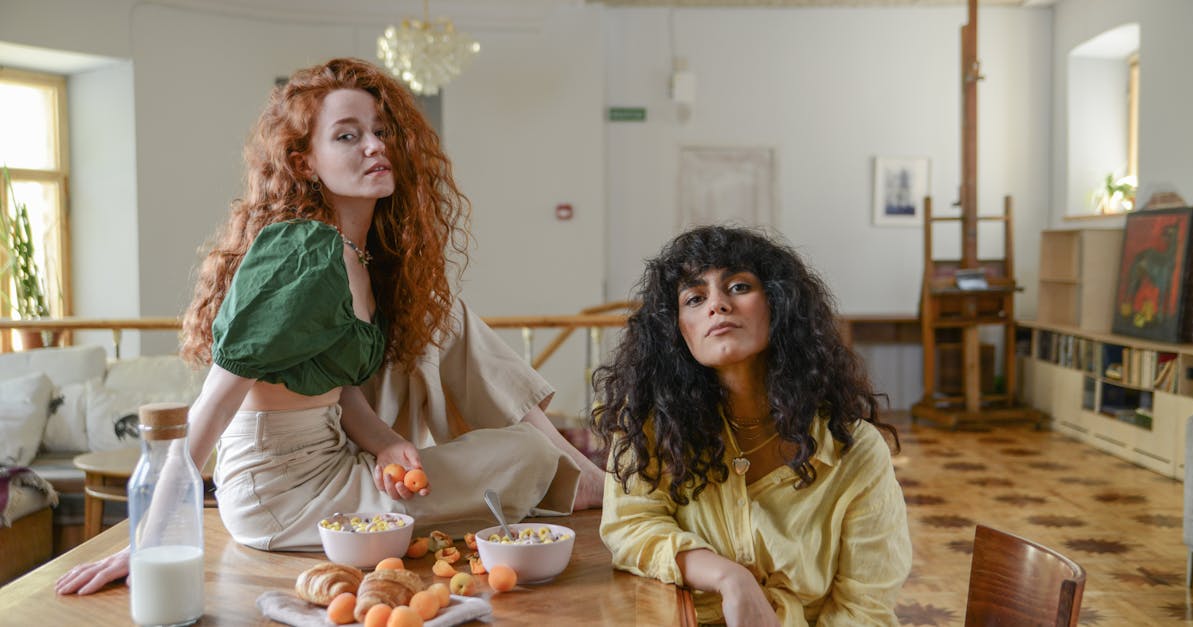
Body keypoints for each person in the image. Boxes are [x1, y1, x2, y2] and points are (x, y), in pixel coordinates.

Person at [57, 57, 603, 595]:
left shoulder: (357, 256)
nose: (374, 145)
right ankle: (582, 481)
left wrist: (388, 444)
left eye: (380, 131)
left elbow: (339, 390)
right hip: (282, 494)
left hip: (337, 459)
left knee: (464, 354)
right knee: (528, 455)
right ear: (305, 162)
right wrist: (148, 539)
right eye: (347, 136)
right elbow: (216, 402)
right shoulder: (302, 251)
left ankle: (576, 478)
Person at [594, 225, 911, 626]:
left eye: (739, 287)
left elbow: (864, 610)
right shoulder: (653, 425)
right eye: (694, 298)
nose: (717, 305)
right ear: (677, 331)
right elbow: (630, 524)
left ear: (779, 304)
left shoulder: (854, 450)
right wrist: (729, 577)